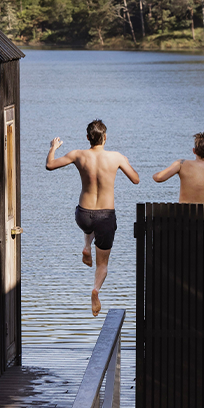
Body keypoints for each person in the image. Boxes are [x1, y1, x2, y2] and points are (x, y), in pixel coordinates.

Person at [46, 118, 139, 317]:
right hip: (105, 216)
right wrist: (126, 163)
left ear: (88, 138)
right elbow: (136, 179)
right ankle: (96, 290)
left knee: (89, 226)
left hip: (83, 215)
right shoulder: (116, 157)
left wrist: (53, 147)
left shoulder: (77, 155)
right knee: (102, 264)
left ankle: (87, 246)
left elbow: (50, 165)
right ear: (105, 138)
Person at [151, 132, 204, 204]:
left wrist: (154, 174)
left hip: (183, 218)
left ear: (194, 150)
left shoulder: (181, 164)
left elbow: (158, 178)